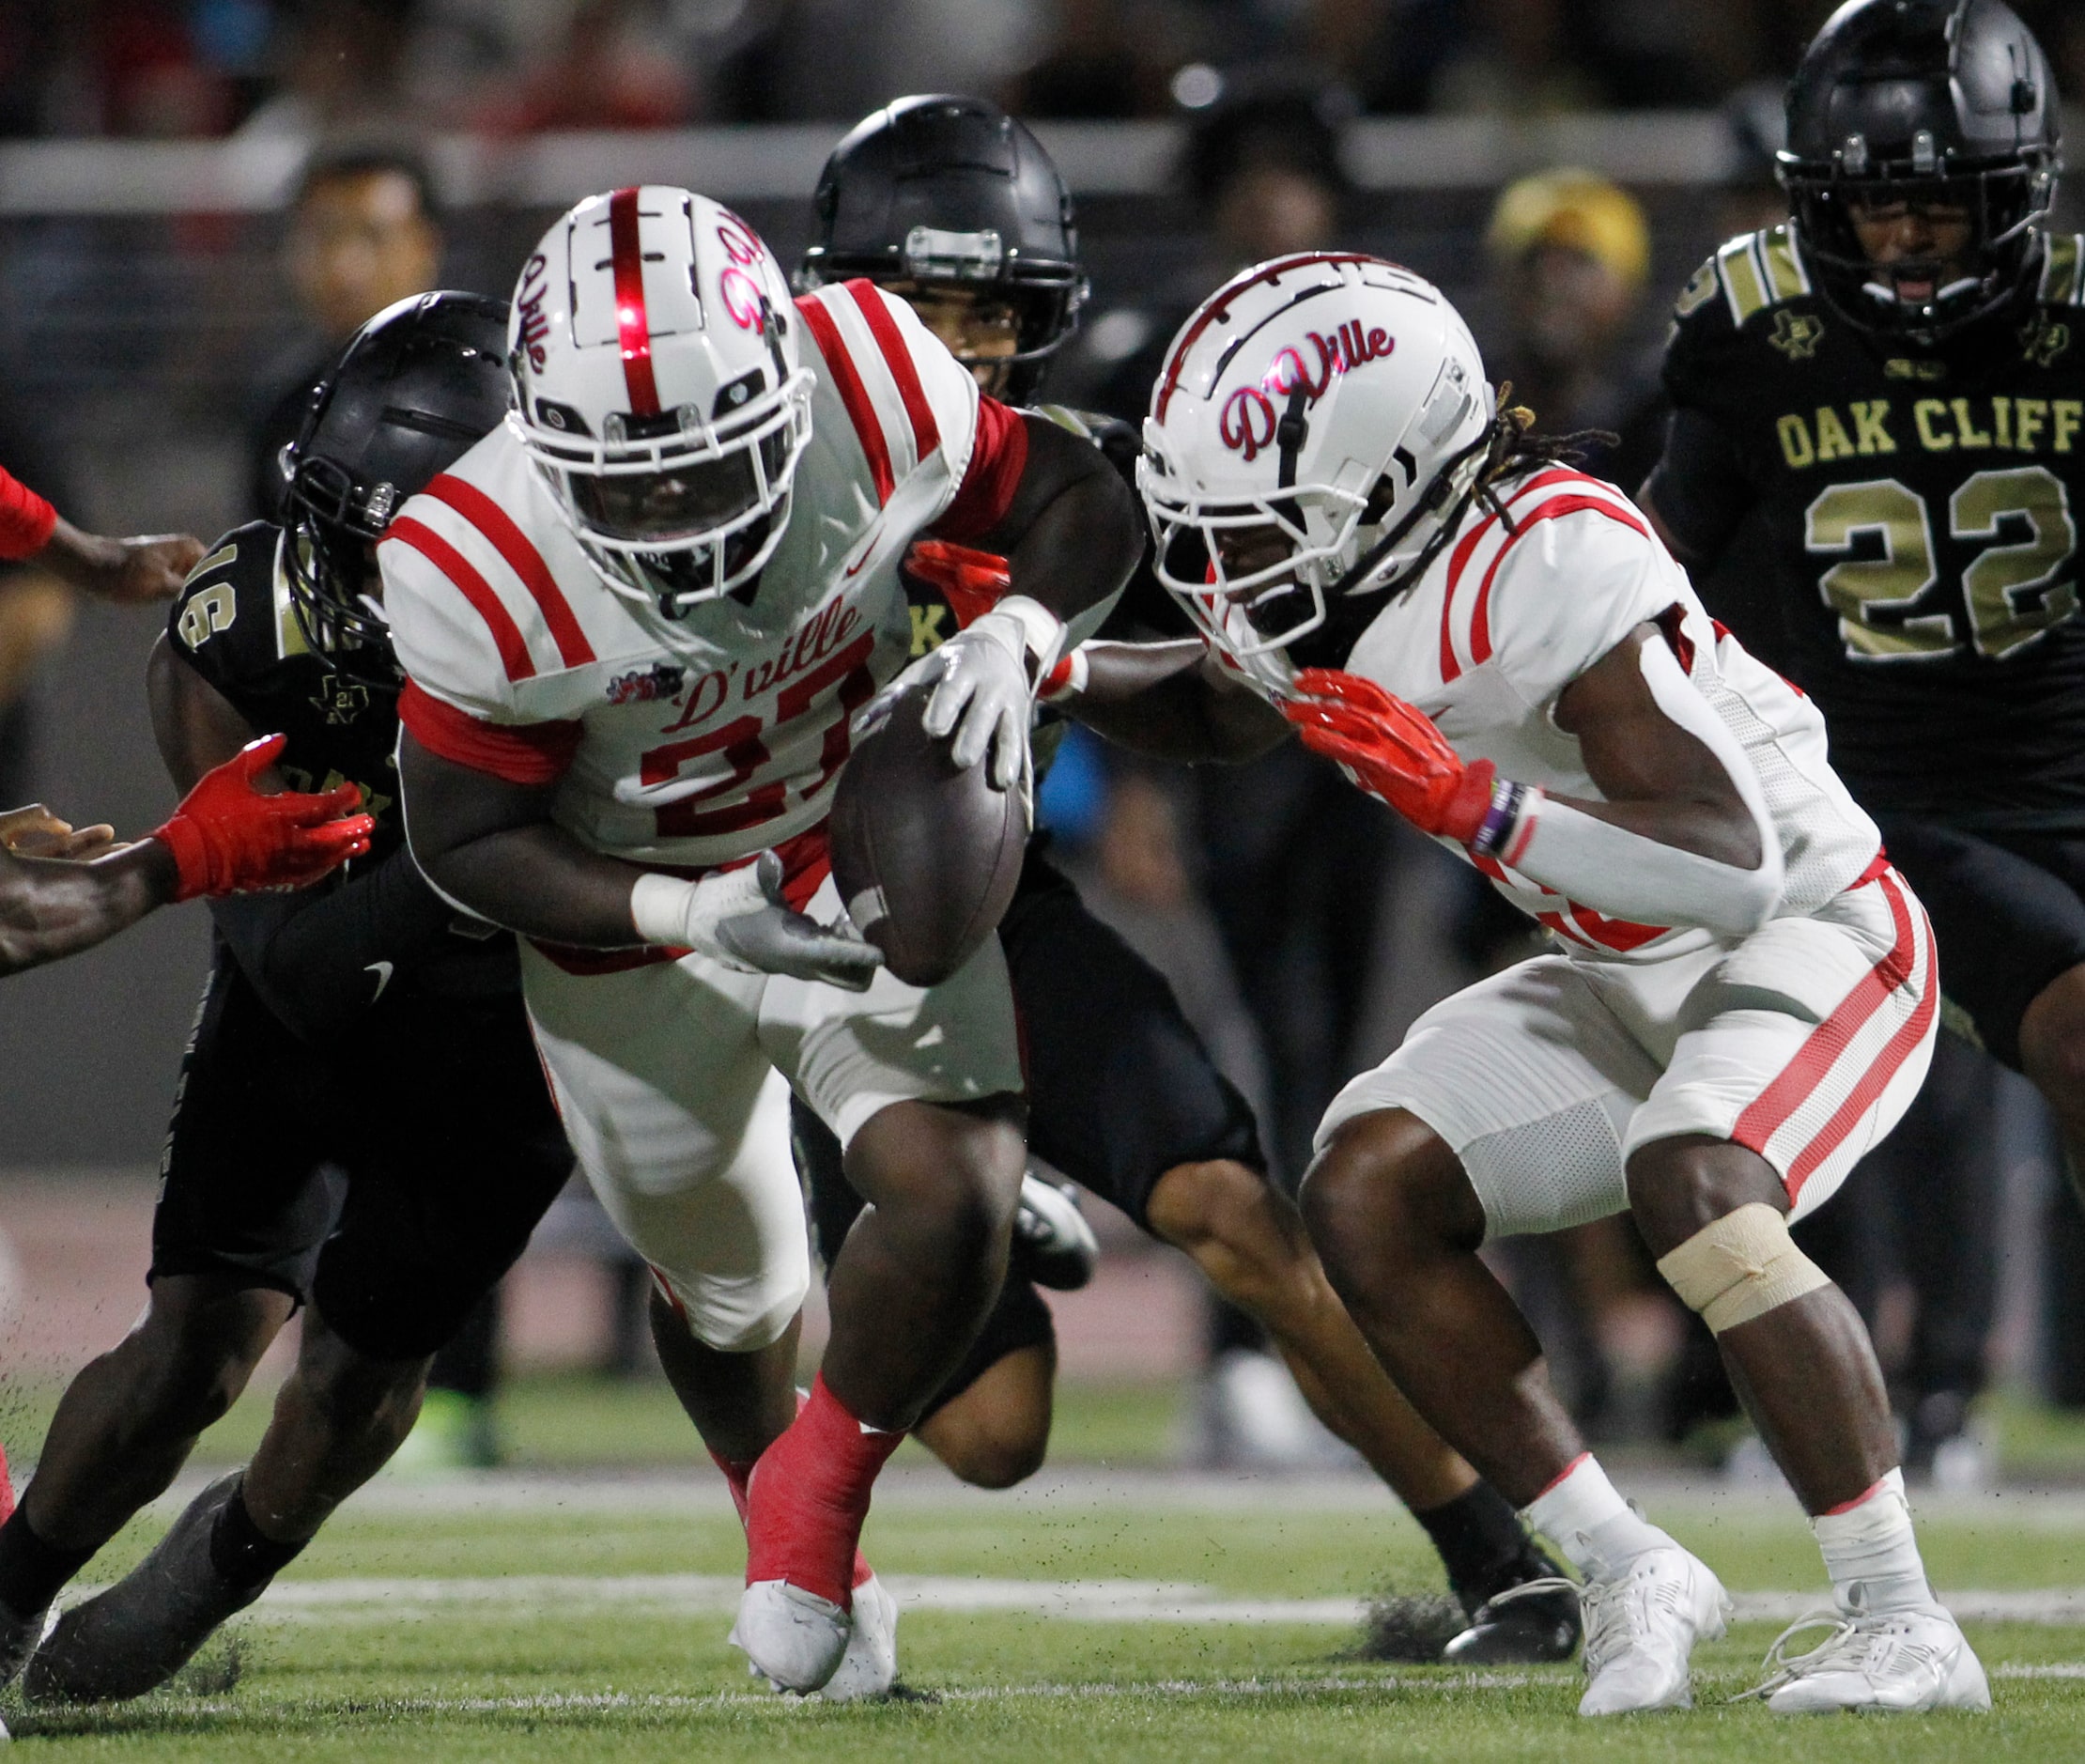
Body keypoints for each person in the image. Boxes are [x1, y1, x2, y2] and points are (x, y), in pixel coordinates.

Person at [1117, 248, 1984, 1715]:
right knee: (1366, 1185)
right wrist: (1036, 668)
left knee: (1696, 1175)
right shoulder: (1355, 576)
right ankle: (1626, 1561)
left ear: (1390, 475)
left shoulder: (1549, 552)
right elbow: (1217, 704)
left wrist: (1479, 810)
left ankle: (1904, 1620)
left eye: (1262, 526)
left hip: (1820, 936)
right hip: (1624, 964)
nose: (1230, 566)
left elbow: (1730, 865)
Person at [788, 93, 1580, 1661]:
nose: (959, 351)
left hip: (996, 912)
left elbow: (1154, 644)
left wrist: (1240, 697)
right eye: (923, 312)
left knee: (1235, 1205)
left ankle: (1500, 1561)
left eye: (990, 316)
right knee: (997, 1433)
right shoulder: (759, 467)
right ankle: (974, 1219)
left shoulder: (1059, 468)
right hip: (804, 958)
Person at [382, 184, 1139, 1697]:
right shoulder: (468, 558)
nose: (676, 516)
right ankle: (773, 1505)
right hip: (631, 925)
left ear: (785, 390)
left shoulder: (872, 366)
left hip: (836, 845)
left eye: (707, 468)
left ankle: (815, 1511)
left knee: (959, 1182)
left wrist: (1017, 632)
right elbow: (462, 840)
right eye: (631, 486)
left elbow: (1078, 497)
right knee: (733, 1300)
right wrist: (678, 911)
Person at [2, 294, 574, 1708]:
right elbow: (288, 959)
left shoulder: (608, 642)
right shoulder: (242, 630)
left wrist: (65, 549)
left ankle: (219, 1567)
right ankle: (10, 1591)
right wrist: (186, 856)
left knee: (369, 1366)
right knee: (197, 1349)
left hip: (510, 1011)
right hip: (314, 998)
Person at [1639, 0, 2079, 1453]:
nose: (1905, 245)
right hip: (1885, 807)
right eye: (1875, 211)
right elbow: (1659, 556)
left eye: (1939, 211)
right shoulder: (1752, 328)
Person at [247, 142, 443, 523]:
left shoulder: (497, 395)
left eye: (374, 236)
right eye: (324, 236)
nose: (346, 267)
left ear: (425, 247)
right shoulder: (283, 411)